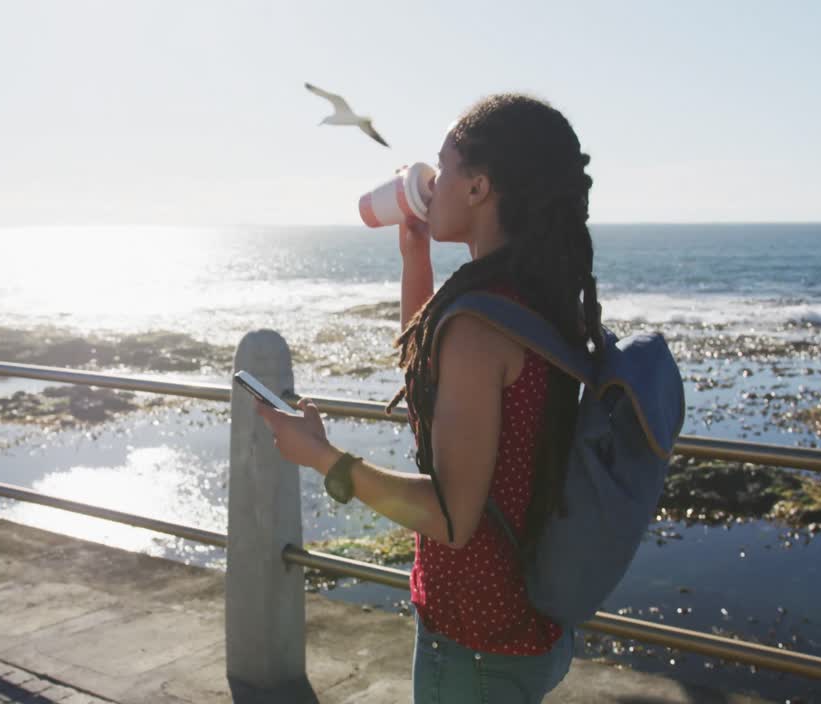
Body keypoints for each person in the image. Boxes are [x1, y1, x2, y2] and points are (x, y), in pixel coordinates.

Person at [254, 92, 600, 703]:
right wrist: (415, 254)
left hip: (474, 647)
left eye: (443, 166)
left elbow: (451, 519)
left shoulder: (478, 326)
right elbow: (439, 382)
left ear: (479, 188)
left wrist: (321, 457)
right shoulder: (531, 298)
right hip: (529, 622)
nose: (430, 182)